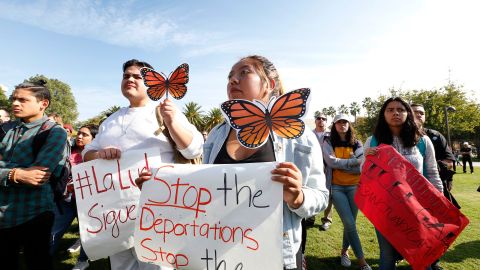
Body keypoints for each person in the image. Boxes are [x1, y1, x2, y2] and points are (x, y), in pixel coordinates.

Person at [201, 55, 329, 269]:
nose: (232, 80)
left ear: (269, 84)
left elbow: (321, 196)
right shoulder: (216, 134)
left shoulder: (298, 135)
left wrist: (297, 197)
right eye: (230, 76)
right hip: (222, 251)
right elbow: (206, 189)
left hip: (276, 256)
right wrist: (161, 186)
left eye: (244, 72)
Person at [82, 59, 203, 270]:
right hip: (116, 216)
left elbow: (193, 149)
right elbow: (86, 154)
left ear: (151, 83)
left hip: (158, 213)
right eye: (126, 75)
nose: (130, 79)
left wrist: (172, 122)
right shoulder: (110, 120)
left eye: (138, 76)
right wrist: (99, 154)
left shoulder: (164, 111)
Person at [364, 97, 443, 270]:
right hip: (387, 210)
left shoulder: (423, 141)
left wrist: (438, 203)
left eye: (400, 109)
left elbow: (432, 173)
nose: (395, 113)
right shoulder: (372, 141)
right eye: (390, 110)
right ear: (383, 114)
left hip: (418, 209)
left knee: (423, 258)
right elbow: (366, 178)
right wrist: (367, 160)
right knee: (387, 257)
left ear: (408, 113)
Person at [0, 80, 69, 269]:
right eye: (14, 99)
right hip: (3, 215)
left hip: (34, 213)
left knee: (37, 262)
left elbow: (37, 175)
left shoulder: (54, 132)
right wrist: (15, 173)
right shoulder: (6, 129)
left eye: (23, 100)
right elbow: (24, 174)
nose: (15, 103)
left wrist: (7, 170)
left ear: (43, 103)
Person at [411, 104, 458, 269]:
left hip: (435, 187)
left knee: (435, 228)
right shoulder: (399, 136)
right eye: (414, 112)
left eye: (421, 113)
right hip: (410, 192)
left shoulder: (434, 136)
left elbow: (449, 161)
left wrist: (431, 168)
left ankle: (434, 260)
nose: (418, 115)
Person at [322, 114, 370, 269]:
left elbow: (361, 164)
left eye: (345, 122)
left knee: (351, 224)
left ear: (349, 124)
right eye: (339, 122)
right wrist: (352, 162)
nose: (342, 124)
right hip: (336, 187)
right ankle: (362, 262)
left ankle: (344, 252)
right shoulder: (328, 141)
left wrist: (343, 163)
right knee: (349, 222)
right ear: (334, 125)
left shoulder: (356, 142)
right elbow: (331, 162)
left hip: (355, 187)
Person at [50, 124, 98, 270]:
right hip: (65, 200)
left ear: (95, 139)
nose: (80, 137)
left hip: (88, 202)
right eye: (79, 133)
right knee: (53, 231)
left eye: (85, 135)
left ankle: (83, 260)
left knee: (86, 233)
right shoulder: (67, 150)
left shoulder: (98, 156)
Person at [312, 113, 334, 231]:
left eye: (324, 119)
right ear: (315, 121)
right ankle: (311, 216)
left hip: (328, 168)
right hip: (313, 167)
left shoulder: (331, 135)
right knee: (311, 189)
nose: (321, 120)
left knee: (329, 193)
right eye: (318, 118)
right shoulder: (309, 134)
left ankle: (326, 220)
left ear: (327, 121)